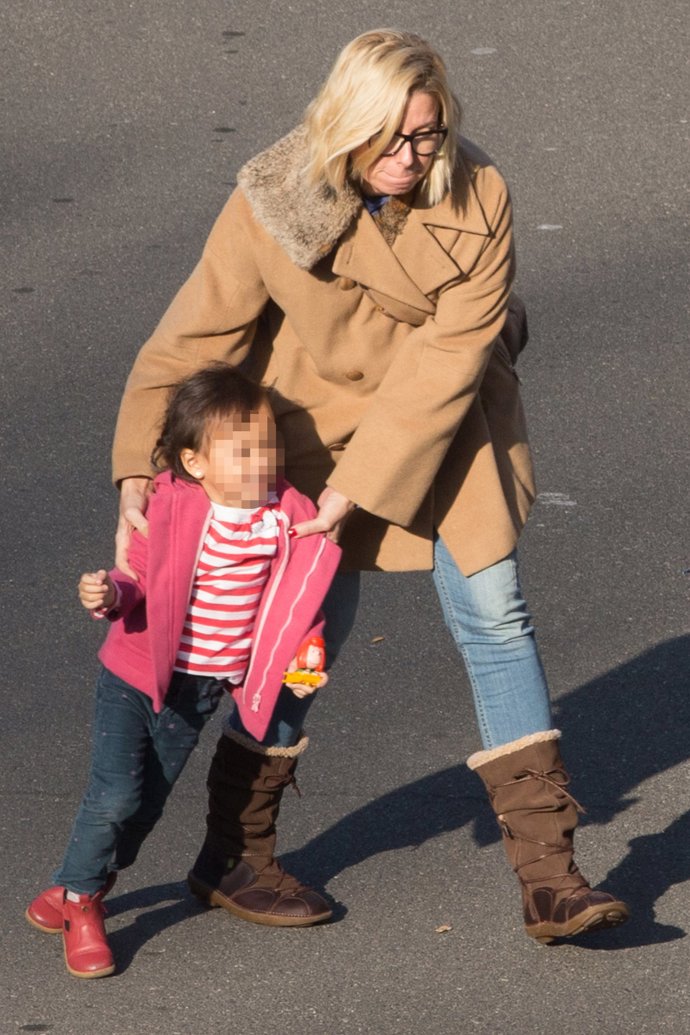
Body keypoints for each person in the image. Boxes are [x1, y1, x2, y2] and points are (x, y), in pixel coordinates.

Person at [110, 29, 629, 943]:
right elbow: (195, 339)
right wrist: (136, 475)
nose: (410, 156)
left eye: (427, 135)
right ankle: (235, 851)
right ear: (341, 124)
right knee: (302, 637)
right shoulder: (276, 199)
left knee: (497, 614)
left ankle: (553, 875)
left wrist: (363, 490)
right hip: (313, 439)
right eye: (388, 138)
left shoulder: (481, 194)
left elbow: (449, 359)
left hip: (451, 425)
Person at [25, 365, 340, 978]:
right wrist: (108, 594)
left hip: (198, 692)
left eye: (268, 444)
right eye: (242, 450)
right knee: (115, 793)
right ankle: (85, 905)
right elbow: (136, 580)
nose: (262, 459)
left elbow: (301, 592)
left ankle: (68, 886)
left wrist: (308, 649)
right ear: (195, 463)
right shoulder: (172, 506)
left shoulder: (286, 513)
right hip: (134, 676)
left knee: (145, 809)